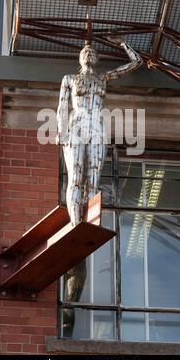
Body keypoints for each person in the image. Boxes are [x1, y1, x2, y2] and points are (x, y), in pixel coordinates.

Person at [56, 36, 143, 226]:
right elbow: (62, 106)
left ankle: (90, 222)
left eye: (93, 52)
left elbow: (136, 62)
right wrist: (62, 132)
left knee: (94, 177)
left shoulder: (103, 78)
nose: (89, 53)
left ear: (98, 59)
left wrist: (122, 44)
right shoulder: (69, 79)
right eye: (85, 52)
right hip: (76, 126)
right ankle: (75, 222)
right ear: (80, 59)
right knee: (76, 177)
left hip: (97, 126)